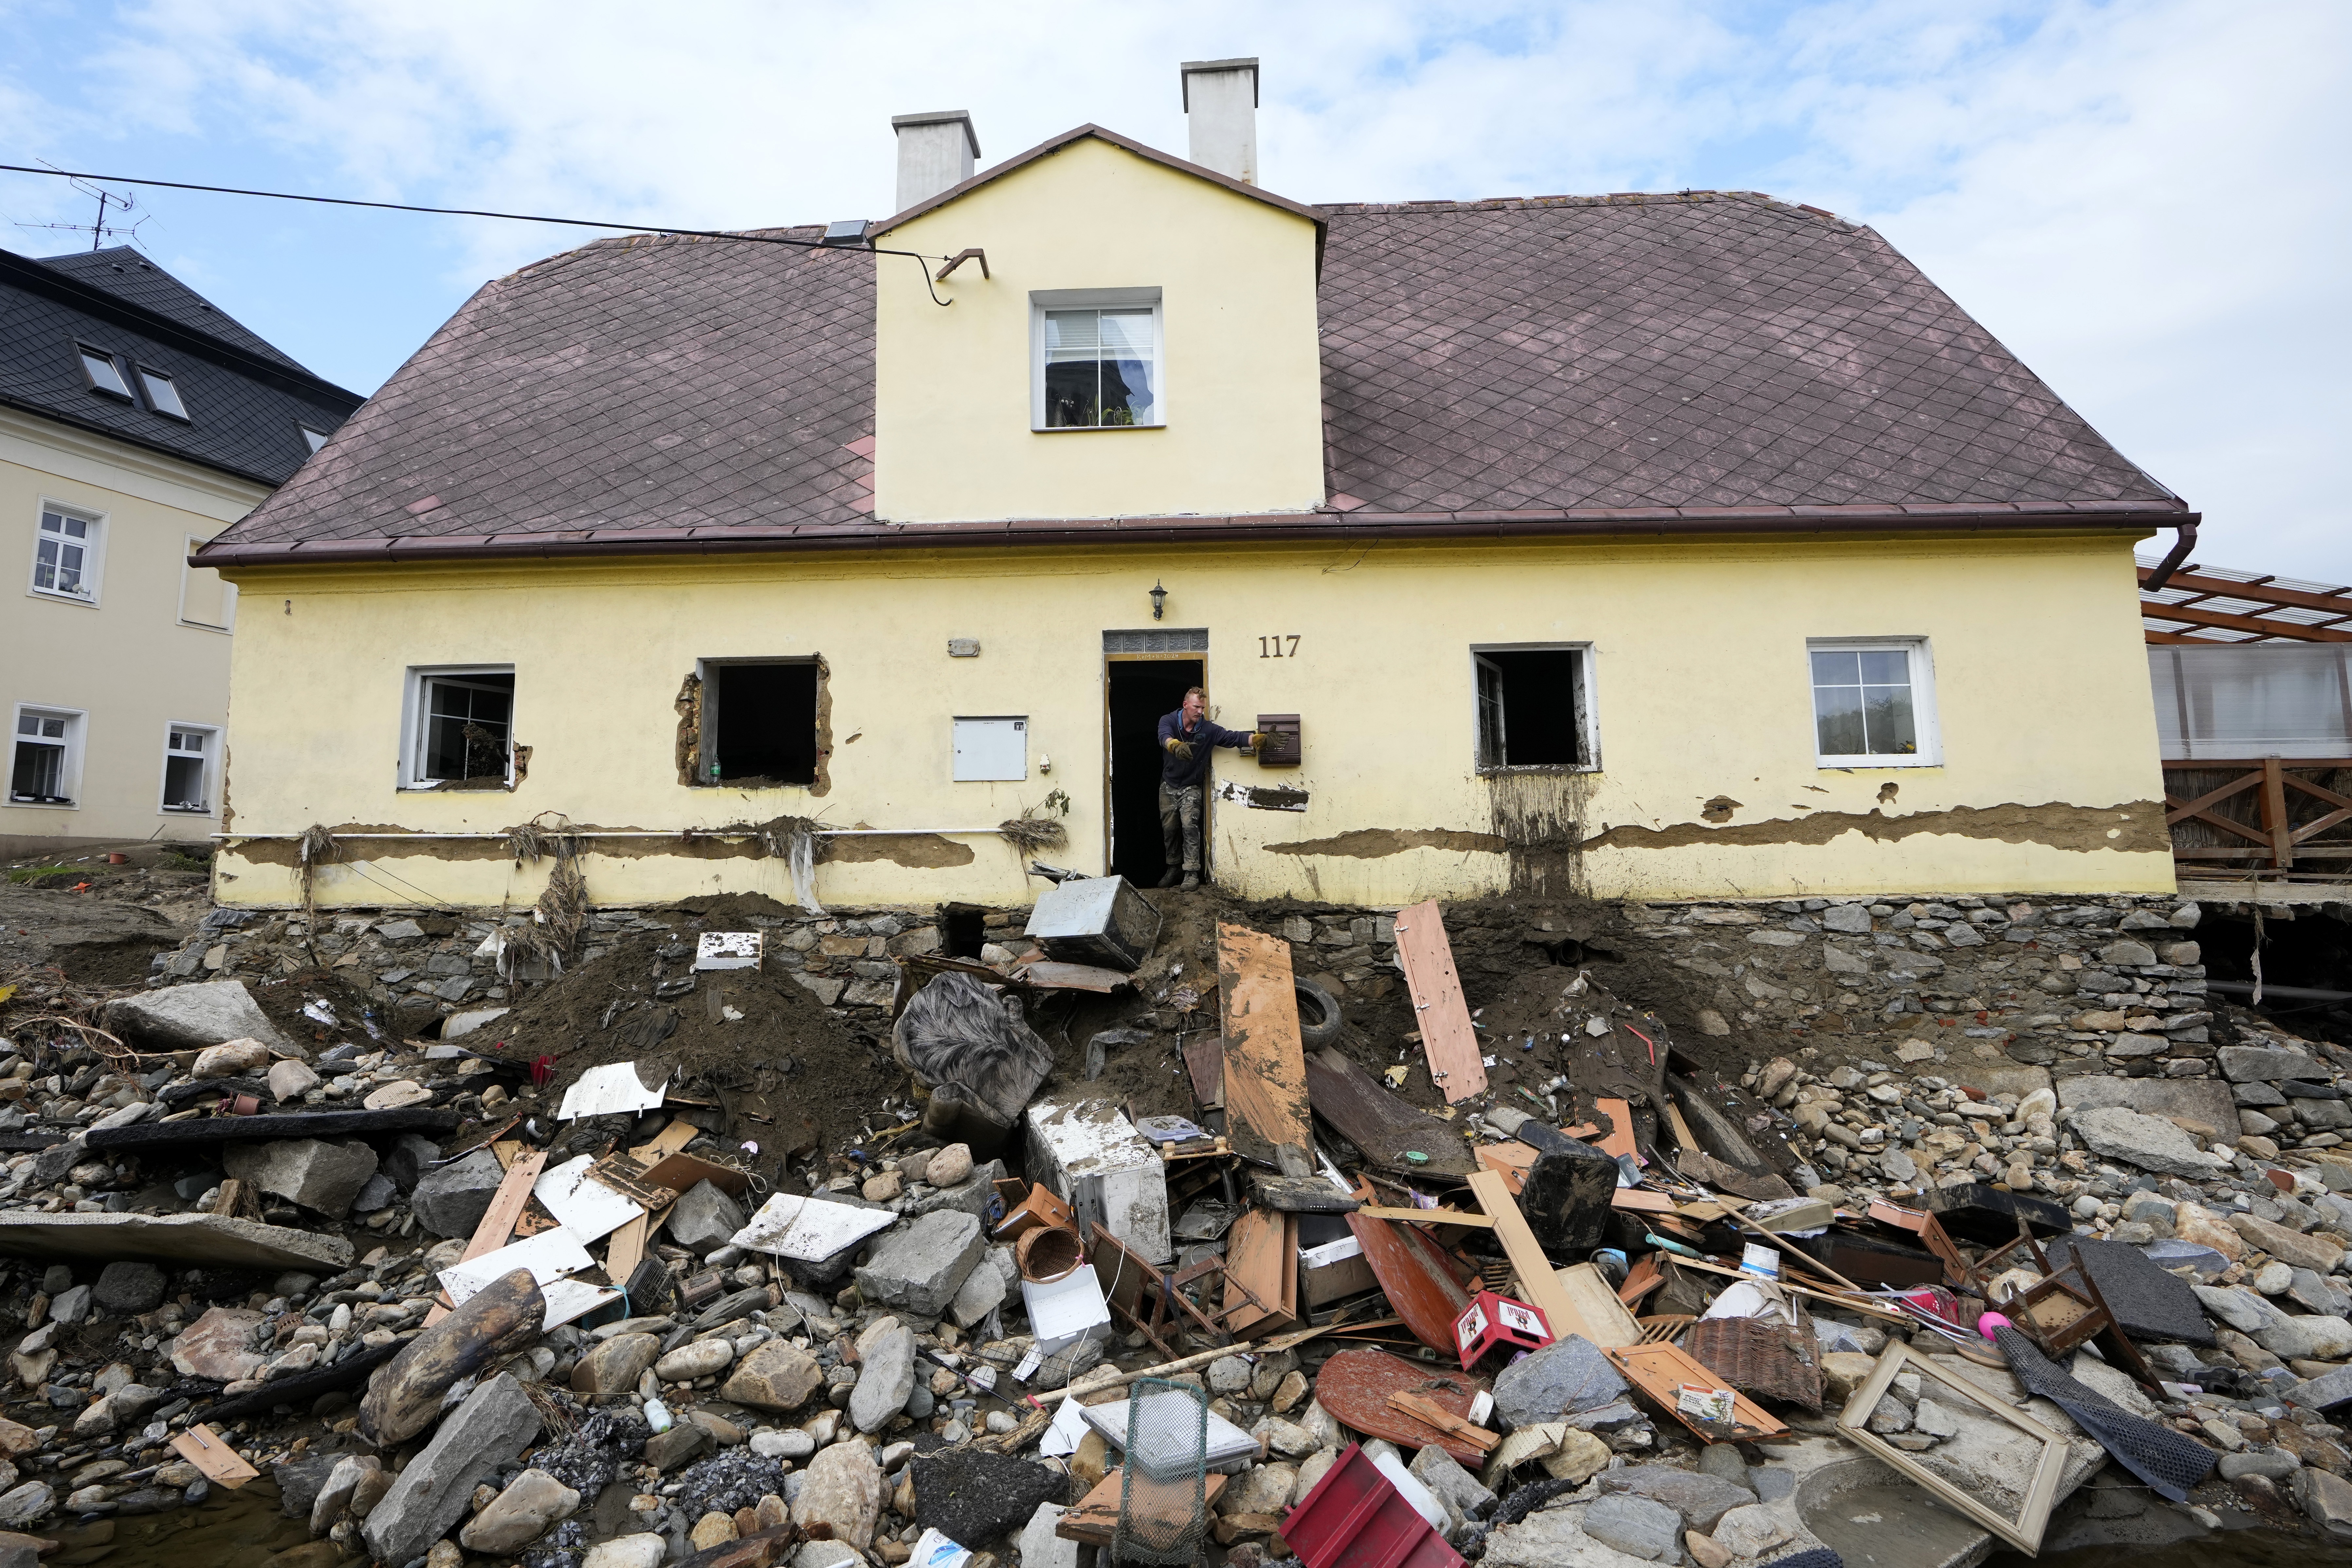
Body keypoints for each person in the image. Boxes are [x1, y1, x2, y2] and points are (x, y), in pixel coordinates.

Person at [1156, 687, 1259, 889]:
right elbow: (1164, 737)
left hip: (1192, 787)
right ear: (1186, 705)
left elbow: (1233, 738)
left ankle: (1192, 873)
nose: (1200, 711)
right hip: (1168, 785)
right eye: (1196, 707)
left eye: (1203, 708)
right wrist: (1175, 746)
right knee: (1169, 829)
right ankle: (1174, 868)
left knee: (1189, 826)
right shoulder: (1168, 721)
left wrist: (1257, 739)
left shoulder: (1208, 730)